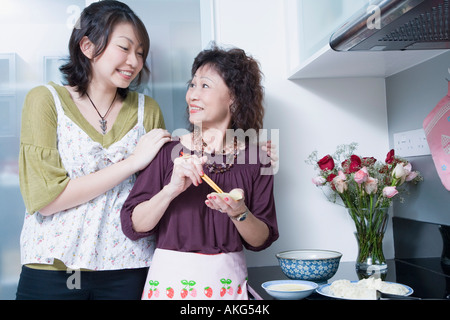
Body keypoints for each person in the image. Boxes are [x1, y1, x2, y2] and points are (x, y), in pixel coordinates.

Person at [16, 0, 171, 300]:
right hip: (53, 269)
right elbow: (45, 199)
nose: (134, 61)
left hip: (129, 267)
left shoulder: (146, 110)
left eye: (140, 53)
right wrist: (131, 163)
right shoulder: (45, 101)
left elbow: (155, 194)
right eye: (124, 48)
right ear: (87, 46)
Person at [120, 45, 279, 300]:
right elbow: (134, 226)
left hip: (229, 290)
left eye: (204, 86)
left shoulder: (257, 159)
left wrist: (239, 212)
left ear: (234, 97)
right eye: (191, 85)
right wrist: (171, 189)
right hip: (168, 288)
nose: (192, 95)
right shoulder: (166, 152)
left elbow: (261, 240)